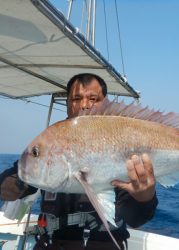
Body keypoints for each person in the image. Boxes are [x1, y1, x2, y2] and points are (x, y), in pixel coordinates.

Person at [0, 73, 158, 250]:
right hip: (52, 244)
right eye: (76, 98)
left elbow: (136, 219)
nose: (84, 105)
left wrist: (145, 197)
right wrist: (20, 180)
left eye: (93, 98)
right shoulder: (52, 140)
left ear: (105, 103)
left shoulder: (123, 140)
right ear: (68, 104)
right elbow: (6, 188)